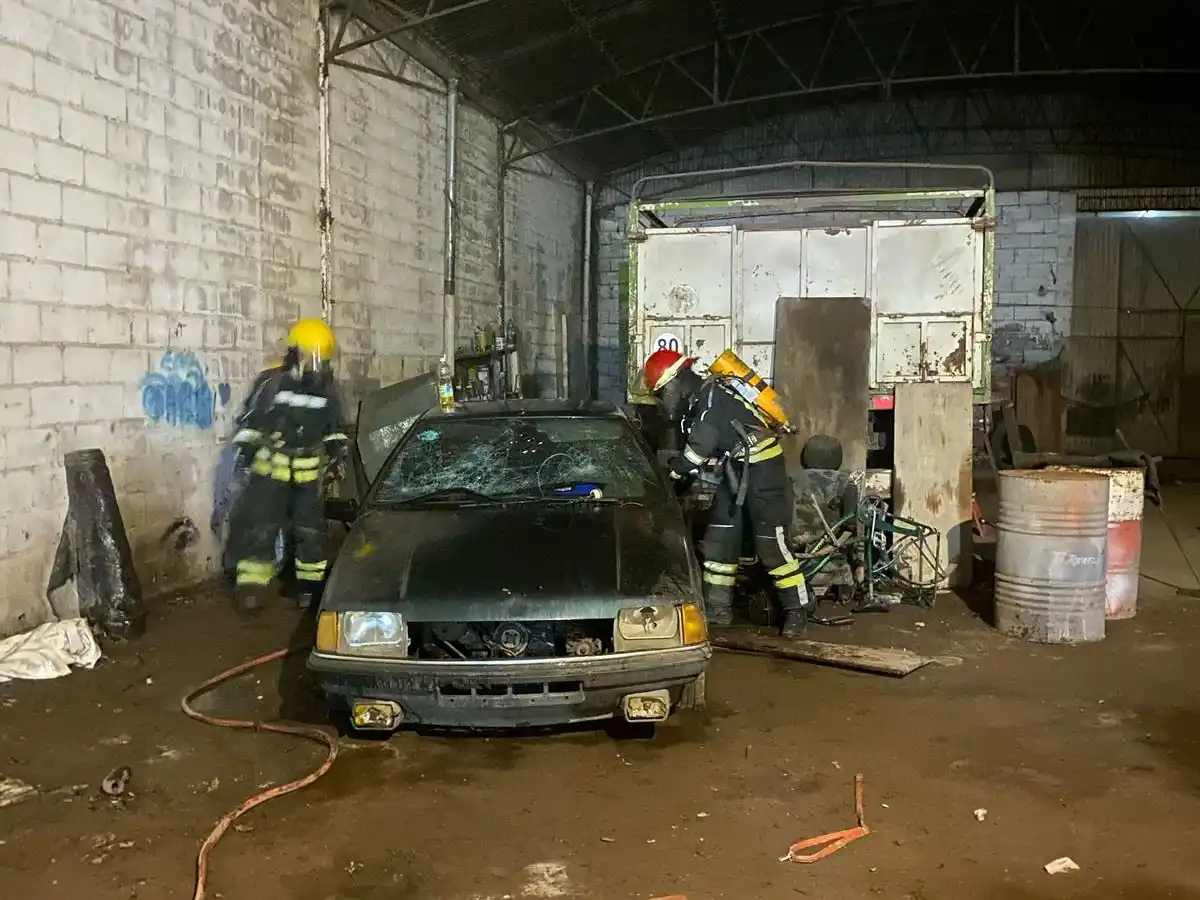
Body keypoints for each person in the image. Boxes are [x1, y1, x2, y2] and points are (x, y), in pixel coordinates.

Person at [643, 347, 812, 636]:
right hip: (734, 473)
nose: (662, 401)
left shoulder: (710, 401)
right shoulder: (702, 399)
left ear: (675, 383)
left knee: (771, 544)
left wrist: (669, 475)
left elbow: (698, 451)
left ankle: (797, 612)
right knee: (720, 541)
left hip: (764, 474)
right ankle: (718, 609)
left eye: (661, 393)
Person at [227, 320, 348, 614]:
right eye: (309, 354)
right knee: (260, 528)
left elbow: (334, 428)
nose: (313, 362)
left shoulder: (327, 392)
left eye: (320, 356)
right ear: (295, 353)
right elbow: (252, 421)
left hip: (307, 478)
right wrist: (245, 453)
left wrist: (337, 452)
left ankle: (308, 590)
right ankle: (252, 590)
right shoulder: (272, 384)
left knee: (309, 533)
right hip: (271, 473)